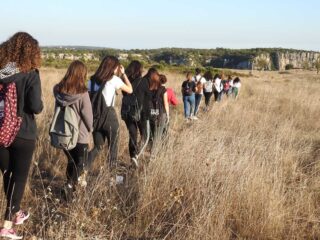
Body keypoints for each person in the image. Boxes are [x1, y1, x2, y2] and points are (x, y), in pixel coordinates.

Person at [0, 32, 43, 240]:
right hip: (23, 132)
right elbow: (35, 106)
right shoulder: (32, 73)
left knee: (8, 175)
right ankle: (7, 226)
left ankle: (16, 212)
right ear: (32, 52)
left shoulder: (3, 71)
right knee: (18, 178)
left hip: (0, 131)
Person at [53, 60, 93, 198]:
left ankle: (68, 192)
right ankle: (69, 185)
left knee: (71, 161)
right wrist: (91, 131)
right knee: (80, 163)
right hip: (80, 134)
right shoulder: (83, 93)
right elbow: (88, 116)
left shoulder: (58, 90)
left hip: (63, 133)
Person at [88, 56, 132, 170]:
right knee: (113, 148)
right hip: (109, 117)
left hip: (95, 117)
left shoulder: (91, 81)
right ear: (113, 67)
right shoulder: (113, 79)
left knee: (97, 147)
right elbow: (130, 90)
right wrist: (123, 74)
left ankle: (82, 168)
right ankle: (111, 177)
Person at [121, 60, 151, 167]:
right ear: (140, 70)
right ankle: (137, 155)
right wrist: (148, 114)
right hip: (141, 113)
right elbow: (147, 98)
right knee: (145, 135)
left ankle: (133, 157)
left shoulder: (125, 81)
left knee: (132, 135)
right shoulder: (143, 81)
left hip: (128, 112)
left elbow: (125, 94)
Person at [148, 70, 169, 149]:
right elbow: (166, 104)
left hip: (151, 112)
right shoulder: (163, 89)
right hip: (160, 113)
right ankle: (153, 156)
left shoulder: (150, 88)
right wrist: (168, 115)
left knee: (151, 134)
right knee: (157, 136)